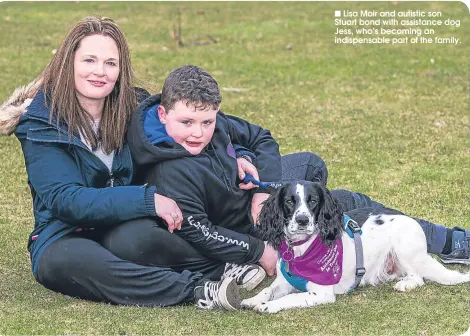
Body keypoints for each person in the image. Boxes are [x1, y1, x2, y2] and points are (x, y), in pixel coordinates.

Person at [0, 16, 262, 310]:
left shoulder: (135, 106)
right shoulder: (40, 122)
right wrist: (147, 200)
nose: (100, 72)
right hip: (65, 232)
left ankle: (226, 263)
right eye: (89, 60)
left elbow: (198, 126)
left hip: (127, 225)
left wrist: (238, 154)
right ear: (68, 63)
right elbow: (64, 200)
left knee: (138, 241)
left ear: (121, 69)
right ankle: (199, 289)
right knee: (59, 264)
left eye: (111, 63)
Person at [125, 65, 469, 285]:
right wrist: (258, 250)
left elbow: (260, 137)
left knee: (310, 164)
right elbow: (201, 231)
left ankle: (313, 219)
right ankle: (449, 242)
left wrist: (265, 188)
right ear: (162, 113)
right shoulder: (168, 171)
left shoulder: (199, 113)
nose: (198, 132)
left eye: (207, 122)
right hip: (247, 224)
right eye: (186, 123)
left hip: (255, 199)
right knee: (349, 203)